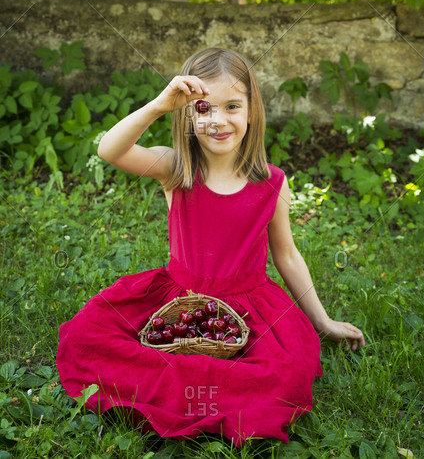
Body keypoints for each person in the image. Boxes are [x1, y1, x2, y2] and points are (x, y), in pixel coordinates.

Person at [56, 47, 365, 448]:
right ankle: (197, 393)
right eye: (203, 108)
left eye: (232, 106)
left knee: (285, 372)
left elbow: (286, 255)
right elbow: (108, 150)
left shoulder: (272, 181)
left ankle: (212, 395)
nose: (218, 120)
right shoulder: (176, 170)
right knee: (90, 338)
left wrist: (323, 321)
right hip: (179, 299)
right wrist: (159, 105)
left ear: (252, 112)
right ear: (188, 115)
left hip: (250, 306)